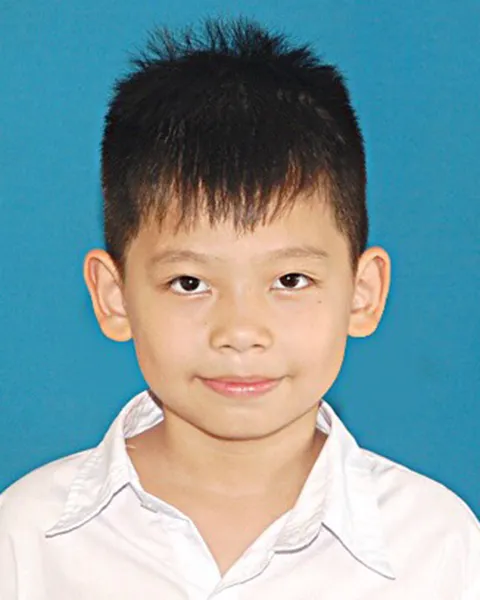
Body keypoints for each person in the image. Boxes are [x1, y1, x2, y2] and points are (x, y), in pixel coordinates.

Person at [0, 18, 478, 599]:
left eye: (290, 280)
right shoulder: (25, 537)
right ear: (114, 296)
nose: (241, 331)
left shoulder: (437, 546)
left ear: (364, 292)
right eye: (189, 283)